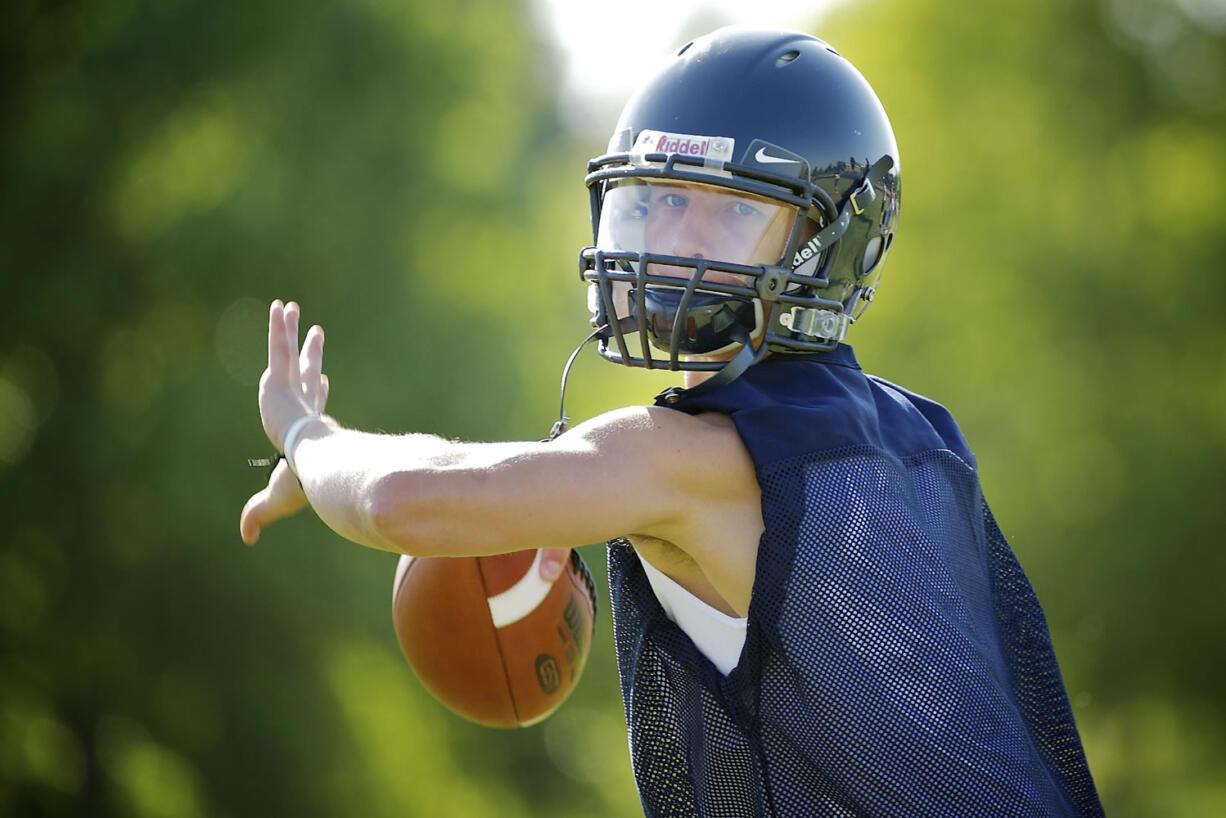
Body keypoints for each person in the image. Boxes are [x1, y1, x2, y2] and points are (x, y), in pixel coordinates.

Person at [240, 27, 1104, 817]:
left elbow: (399, 502)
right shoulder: (920, 437)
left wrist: (306, 433)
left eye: (731, 210)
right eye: (656, 200)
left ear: (825, 243)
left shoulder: (688, 461)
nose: (676, 239)